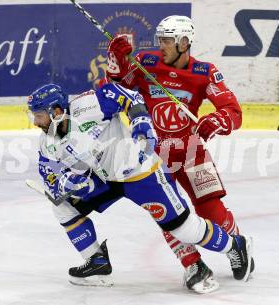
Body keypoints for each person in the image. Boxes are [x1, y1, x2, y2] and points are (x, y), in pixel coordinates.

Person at [28, 82, 253, 292]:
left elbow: (127, 95)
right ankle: (97, 262)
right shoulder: (47, 140)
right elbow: (48, 172)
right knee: (63, 208)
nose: (35, 122)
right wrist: (65, 183)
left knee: (182, 228)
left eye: (38, 116)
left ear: (56, 111)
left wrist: (140, 120)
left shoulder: (88, 105)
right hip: (105, 180)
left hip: (140, 172)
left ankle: (235, 245)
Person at [105, 15, 254, 286]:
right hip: (154, 156)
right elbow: (114, 91)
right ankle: (192, 264)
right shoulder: (147, 64)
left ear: (184, 42)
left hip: (191, 151)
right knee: (166, 211)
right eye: (160, 40)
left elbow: (233, 112)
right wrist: (116, 62)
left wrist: (216, 120)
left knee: (211, 210)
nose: (161, 46)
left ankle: (237, 244)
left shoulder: (204, 72)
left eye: (167, 41)